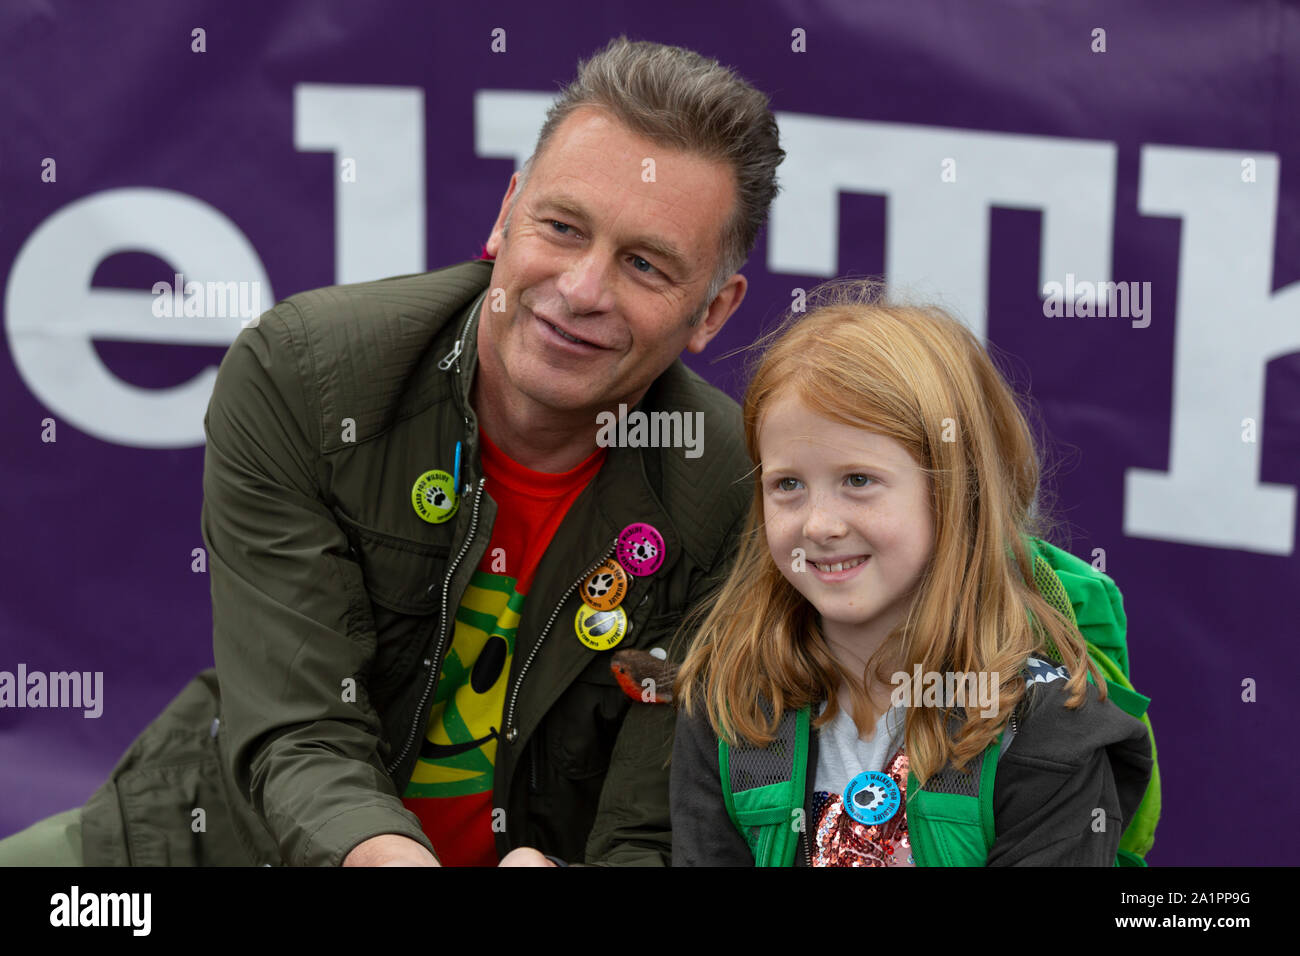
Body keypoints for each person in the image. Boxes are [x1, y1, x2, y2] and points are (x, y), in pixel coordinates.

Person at [0, 37, 784, 867]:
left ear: (712, 311)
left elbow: (652, 830)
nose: (582, 291)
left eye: (644, 265)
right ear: (506, 215)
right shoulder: (305, 374)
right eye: (561, 227)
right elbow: (300, 728)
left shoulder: (738, 493)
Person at [669, 281, 1156, 866]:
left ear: (955, 493)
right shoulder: (729, 705)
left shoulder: (1047, 729)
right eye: (788, 485)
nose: (819, 524)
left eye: (858, 480)